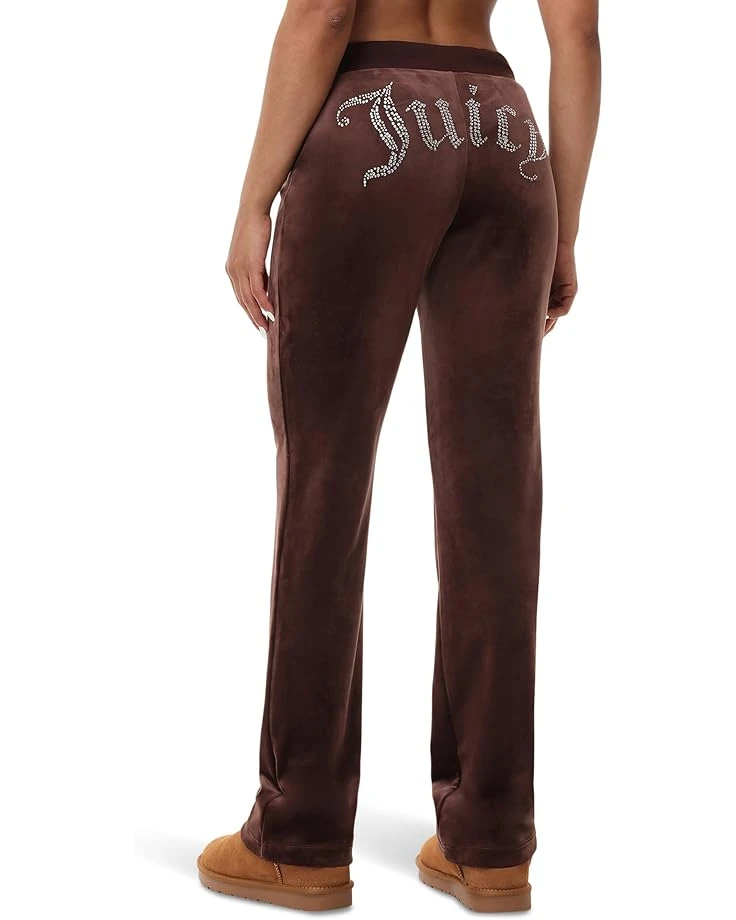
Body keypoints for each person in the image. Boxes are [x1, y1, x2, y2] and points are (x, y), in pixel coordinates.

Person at [197, 0, 600, 911]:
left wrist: (254, 200)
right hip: (504, 138)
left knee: (326, 485)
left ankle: (298, 836)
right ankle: (491, 840)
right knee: (495, 501)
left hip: (371, 125)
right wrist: (565, 225)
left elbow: (326, 11)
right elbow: (576, 29)